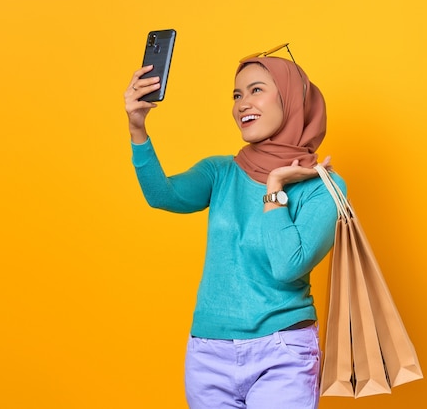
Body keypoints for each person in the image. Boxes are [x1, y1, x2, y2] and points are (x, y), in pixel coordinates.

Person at [123, 49, 346, 409]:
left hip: (282, 353)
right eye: (237, 95)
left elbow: (288, 265)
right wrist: (137, 127)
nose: (243, 104)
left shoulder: (324, 187)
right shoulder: (220, 172)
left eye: (256, 90)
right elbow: (161, 195)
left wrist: (274, 187)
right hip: (208, 354)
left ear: (291, 99)